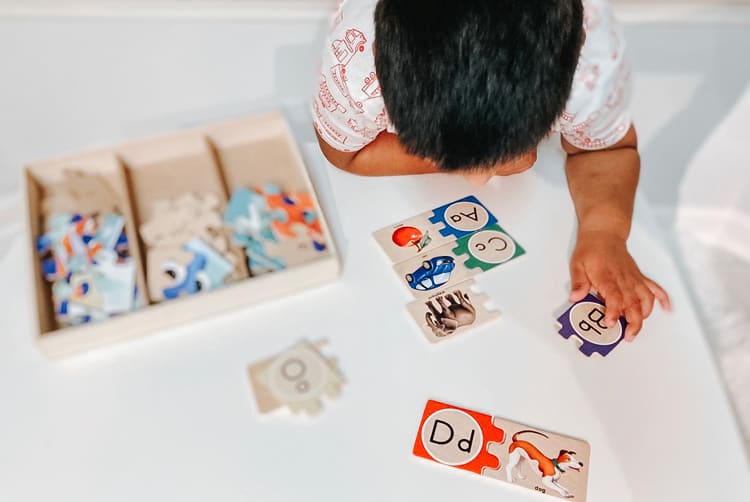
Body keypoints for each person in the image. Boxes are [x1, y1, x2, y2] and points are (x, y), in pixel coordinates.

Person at [312, 0, 671, 340]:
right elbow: (346, 154)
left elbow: (609, 148)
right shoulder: (356, 66)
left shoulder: (591, 68)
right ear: (378, 59)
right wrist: (460, 158)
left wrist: (604, 232)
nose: (479, 181)